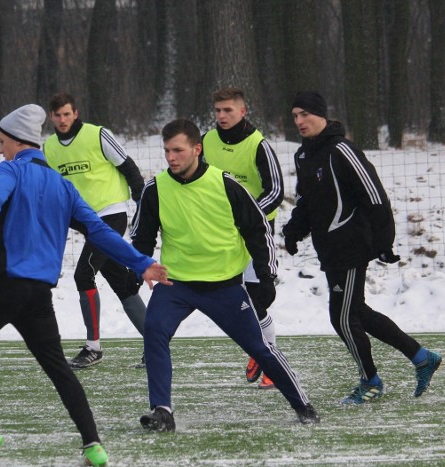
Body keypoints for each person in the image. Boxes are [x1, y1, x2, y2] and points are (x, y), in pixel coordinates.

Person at [0, 104, 170, 467]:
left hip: (1, 286)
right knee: (57, 368)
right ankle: (93, 444)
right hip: (38, 297)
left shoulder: (8, 170)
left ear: (15, 141)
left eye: (1, 142)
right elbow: (100, 232)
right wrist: (143, 263)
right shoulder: (63, 185)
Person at [131, 118, 319, 431]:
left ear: (197, 149)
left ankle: (302, 404)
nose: (171, 157)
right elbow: (141, 237)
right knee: (154, 330)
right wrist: (141, 265)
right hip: (175, 283)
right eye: (166, 151)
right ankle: (162, 410)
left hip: (224, 286)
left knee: (259, 348)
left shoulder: (226, 185)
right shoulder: (156, 189)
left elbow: (258, 233)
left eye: (178, 150)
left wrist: (265, 277)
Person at [283, 91, 442, 404]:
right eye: (294, 117)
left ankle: (371, 381)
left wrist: (384, 244)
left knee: (341, 317)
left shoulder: (343, 150)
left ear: (321, 114)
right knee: (358, 313)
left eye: (304, 114)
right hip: (328, 248)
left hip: (352, 246)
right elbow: (307, 202)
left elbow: (376, 198)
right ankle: (422, 357)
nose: (300, 122)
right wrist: (293, 231)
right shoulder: (303, 156)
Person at [43, 93, 147, 369]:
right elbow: (55, 190)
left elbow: (128, 167)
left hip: (111, 216)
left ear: (75, 113)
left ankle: (93, 348)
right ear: (51, 117)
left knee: (83, 274)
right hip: (88, 223)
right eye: (58, 115)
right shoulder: (50, 148)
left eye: (67, 114)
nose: (63, 120)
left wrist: (143, 203)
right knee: (122, 283)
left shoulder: (98, 135)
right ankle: (156, 343)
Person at [202, 87, 285, 390]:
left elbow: (276, 191)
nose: (222, 116)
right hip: (220, 234)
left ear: (242, 111)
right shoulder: (206, 142)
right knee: (234, 299)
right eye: (218, 110)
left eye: (228, 111)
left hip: (255, 234)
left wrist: (246, 217)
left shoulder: (258, 144)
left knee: (258, 296)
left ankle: (270, 361)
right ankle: (258, 348)